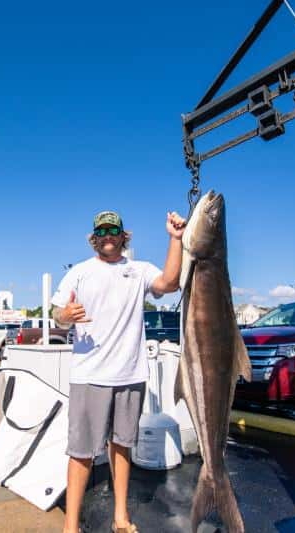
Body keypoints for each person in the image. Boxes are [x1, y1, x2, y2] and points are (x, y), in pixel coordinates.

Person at [51, 210, 185, 533]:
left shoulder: (139, 271)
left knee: (122, 445)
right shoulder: (79, 273)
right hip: (89, 376)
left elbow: (170, 282)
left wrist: (175, 238)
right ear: (94, 238)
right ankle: (70, 527)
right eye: (102, 231)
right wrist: (66, 315)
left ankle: (120, 518)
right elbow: (57, 315)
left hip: (130, 375)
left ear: (124, 236)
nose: (108, 234)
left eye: (114, 229)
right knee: (81, 452)